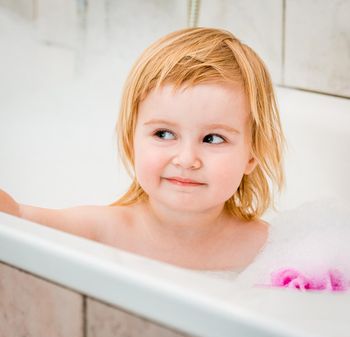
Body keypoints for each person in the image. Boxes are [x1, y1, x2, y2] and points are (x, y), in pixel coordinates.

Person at [0, 27, 284, 273]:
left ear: (252, 154)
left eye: (212, 139)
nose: (186, 160)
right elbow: (18, 219)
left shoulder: (269, 248)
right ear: (130, 141)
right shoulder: (105, 230)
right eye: (163, 133)